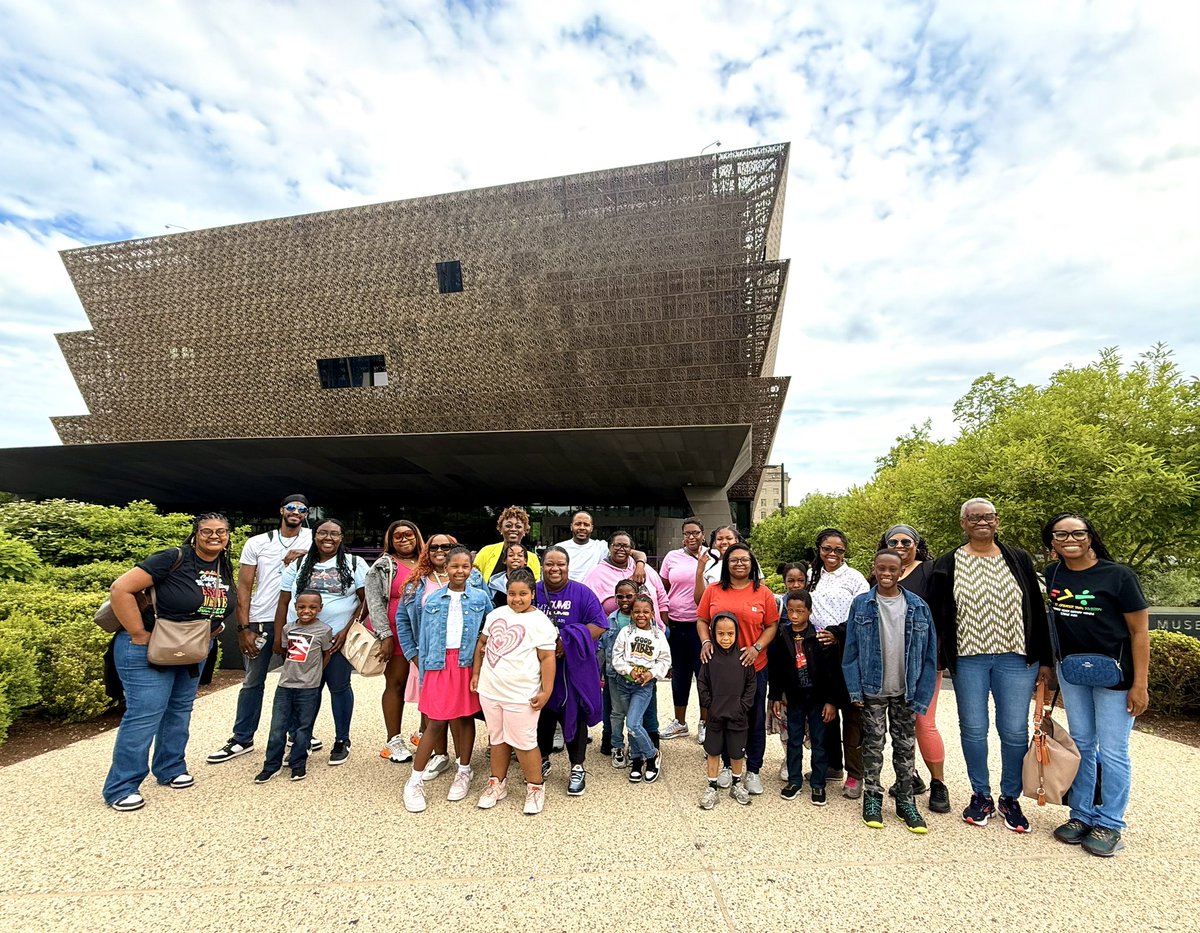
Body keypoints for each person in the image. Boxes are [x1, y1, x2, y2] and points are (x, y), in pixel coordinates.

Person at [928, 498, 1052, 832]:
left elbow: (1037, 610)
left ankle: (1010, 797)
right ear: (963, 523)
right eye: (974, 517)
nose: (981, 522)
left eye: (988, 517)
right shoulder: (947, 563)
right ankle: (980, 793)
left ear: (997, 522)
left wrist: (1045, 659)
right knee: (973, 728)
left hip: (1016, 658)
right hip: (969, 659)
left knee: (1013, 730)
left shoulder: (1018, 559)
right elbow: (938, 616)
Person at [103, 513, 237, 811]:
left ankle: (170, 768)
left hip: (190, 648)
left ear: (228, 535)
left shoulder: (221, 565)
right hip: (150, 648)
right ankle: (121, 786)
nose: (214, 536)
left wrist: (216, 627)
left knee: (179, 709)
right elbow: (120, 589)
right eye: (206, 531)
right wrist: (138, 633)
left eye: (221, 531)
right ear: (195, 534)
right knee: (145, 714)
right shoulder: (173, 558)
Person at [1042, 513, 1149, 857]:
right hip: (1074, 673)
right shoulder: (1053, 573)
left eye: (1077, 533)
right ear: (1052, 543)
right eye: (1060, 535)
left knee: (1114, 750)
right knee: (1083, 745)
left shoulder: (1118, 576)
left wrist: (1141, 684)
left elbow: (1139, 632)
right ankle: (1082, 815)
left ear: (1090, 536)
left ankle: (1111, 823)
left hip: (1115, 676)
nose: (1069, 539)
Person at [207, 495, 312, 765]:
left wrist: (304, 554)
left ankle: (297, 736)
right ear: (281, 511)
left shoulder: (314, 539)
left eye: (301, 509)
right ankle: (242, 738)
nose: (296, 512)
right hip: (262, 620)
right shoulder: (258, 542)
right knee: (253, 681)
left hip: (298, 625)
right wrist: (243, 627)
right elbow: (244, 587)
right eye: (291, 508)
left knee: (297, 682)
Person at [843, 549, 940, 834]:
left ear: (901, 572)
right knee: (873, 744)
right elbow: (851, 651)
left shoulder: (919, 607)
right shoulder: (861, 604)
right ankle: (872, 796)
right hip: (873, 688)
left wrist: (922, 693)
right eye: (881, 568)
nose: (886, 574)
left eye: (892, 569)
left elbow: (929, 654)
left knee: (905, 745)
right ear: (874, 569)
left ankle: (905, 799)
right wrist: (855, 690)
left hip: (905, 690)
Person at [399, 545, 490, 813]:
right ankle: (414, 781)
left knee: (464, 718)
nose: (460, 571)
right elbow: (424, 636)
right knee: (436, 722)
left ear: (471, 569)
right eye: (454, 566)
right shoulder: (433, 600)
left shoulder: (481, 598)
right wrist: (421, 665)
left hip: (466, 664)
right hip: (438, 664)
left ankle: (464, 769)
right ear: (445, 568)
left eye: (465, 566)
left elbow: (488, 633)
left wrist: (480, 666)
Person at [276, 518, 368, 767]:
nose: (328, 538)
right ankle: (300, 741)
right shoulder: (298, 563)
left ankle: (341, 740)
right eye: (323, 533)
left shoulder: (354, 563)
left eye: (335, 534)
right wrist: (279, 638)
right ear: (315, 536)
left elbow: (365, 600)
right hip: (301, 640)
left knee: (339, 688)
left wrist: (347, 631)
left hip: (336, 639)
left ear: (342, 537)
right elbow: (284, 601)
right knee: (304, 691)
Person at [471, 567, 558, 815]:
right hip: (491, 690)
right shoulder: (496, 614)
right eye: (511, 593)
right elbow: (482, 644)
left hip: (521, 694)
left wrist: (547, 690)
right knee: (496, 739)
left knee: (525, 743)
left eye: (522, 594)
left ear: (533, 594)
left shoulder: (540, 622)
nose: (516, 599)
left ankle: (535, 787)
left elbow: (547, 659)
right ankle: (497, 783)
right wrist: (476, 673)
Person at [696, 542, 779, 796]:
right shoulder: (713, 590)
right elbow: (702, 620)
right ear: (725, 564)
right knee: (720, 717)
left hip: (753, 666)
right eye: (733, 560)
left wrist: (756, 647)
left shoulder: (762, 592)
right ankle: (724, 765)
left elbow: (772, 625)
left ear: (752, 563)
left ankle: (752, 769)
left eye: (744, 559)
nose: (739, 564)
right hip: (720, 669)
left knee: (752, 718)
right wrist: (706, 641)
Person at [534, 545, 609, 795]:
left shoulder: (582, 593)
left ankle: (577, 766)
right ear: (542, 566)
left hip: (571, 670)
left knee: (573, 716)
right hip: (537, 670)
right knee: (541, 716)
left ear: (567, 566)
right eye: (549, 564)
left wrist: (568, 641)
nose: (555, 569)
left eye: (560, 564)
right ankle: (542, 760)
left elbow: (600, 624)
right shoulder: (532, 591)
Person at [810, 528, 869, 800]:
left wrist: (837, 633)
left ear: (845, 552)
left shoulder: (855, 579)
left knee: (852, 714)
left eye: (838, 550)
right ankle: (833, 764)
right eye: (826, 549)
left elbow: (865, 614)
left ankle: (855, 773)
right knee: (826, 712)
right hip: (820, 653)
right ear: (819, 549)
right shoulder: (813, 577)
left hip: (848, 651)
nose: (832, 554)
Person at [395, 533, 458, 778]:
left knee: (459, 710)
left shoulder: (471, 577)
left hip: (458, 656)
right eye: (434, 547)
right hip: (426, 656)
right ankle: (439, 754)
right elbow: (402, 619)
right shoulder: (416, 581)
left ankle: (464, 761)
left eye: (446, 546)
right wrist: (412, 654)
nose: (440, 550)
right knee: (431, 709)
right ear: (427, 550)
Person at [254, 591, 334, 783]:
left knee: (303, 727)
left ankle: (298, 764)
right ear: (295, 608)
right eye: (302, 607)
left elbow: (326, 654)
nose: (307, 611)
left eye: (313, 607)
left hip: (309, 687)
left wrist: (316, 673)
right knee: (277, 727)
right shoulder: (288, 628)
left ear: (320, 609)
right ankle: (271, 765)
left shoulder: (324, 630)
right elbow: (286, 652)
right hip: (285, 685)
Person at [768, 590, 839, 806]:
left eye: (800, 611)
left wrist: (831, 701)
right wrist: (776, 696)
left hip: (817, 699)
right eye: (790, 610)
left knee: (819, 741)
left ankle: (818, 784)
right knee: (794, 740)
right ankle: (795, 781)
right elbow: (776, 668)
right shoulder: (782, 636)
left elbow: (831, 672)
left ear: (809, 611)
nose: (795, 615)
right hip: (794, 698)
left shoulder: (820, 637)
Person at [365, 519, 424, 765]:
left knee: (426, 683)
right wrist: (384, 635)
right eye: (397, 536)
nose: (404, 539)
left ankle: (423, 733)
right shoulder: (383, 565)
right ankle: (393, 740)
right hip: (395, 632)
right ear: (390, 540)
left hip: (425, 631)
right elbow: (374, 602)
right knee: (396, 683)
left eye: (408, 534)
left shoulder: (427, 561)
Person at [610, 594, 672, 783]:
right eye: (637, 611)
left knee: (634, 723)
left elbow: (664, 660)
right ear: (631, 614)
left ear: (652, 614)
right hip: (624, 683)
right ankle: (637, 760)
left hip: (643, 686)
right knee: (631, 722)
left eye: (645, 612)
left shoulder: (657, 635)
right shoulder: (626, 633)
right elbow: (616, 657)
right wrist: (629, 670)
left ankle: (652, 755)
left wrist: (651, 674)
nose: (641, 615)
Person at [697, 613, 756, 808]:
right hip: (715, 715)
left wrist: (743, 706)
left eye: (730, 633)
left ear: (736, 633)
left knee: (737, 753)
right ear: (713, 633)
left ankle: (737, 784)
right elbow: (702, 682)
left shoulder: (743, 657)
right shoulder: (709, 657)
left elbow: (751, 684)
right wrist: (709, 705)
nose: (725, 638)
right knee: (713, 751)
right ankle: (712, 786)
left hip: (738, 716)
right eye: (720, 633)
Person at [658, 517, 708, 743]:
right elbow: (663, 589)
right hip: (677, 625)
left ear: (703, 534)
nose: (691, 537)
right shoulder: (672, 557)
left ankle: (705, 722)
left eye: (695, 532)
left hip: (702, 625)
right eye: (687, 533)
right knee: (679, 675)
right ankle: (680, 722)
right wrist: (665, 619)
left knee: (704, 675)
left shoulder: (711, 557)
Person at [584, 530, 666, 621]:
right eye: (617, 545)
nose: (621, 549)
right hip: (616, 632)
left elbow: (662, 598)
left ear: (631, 550)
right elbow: (586, 606)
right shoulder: (596, 574)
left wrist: (665, 626)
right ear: (609, 548)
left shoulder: (644, 568)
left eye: (626, 546)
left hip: (654, 631)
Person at [599, 578, 638, 760]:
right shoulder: (610, 619)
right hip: (615, 674)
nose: (624, 600)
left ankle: (634, 745)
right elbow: (602, 645)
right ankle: (616, 745)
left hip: (636, 675)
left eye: (629, 596)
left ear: (636, 596)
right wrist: (599, 671)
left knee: (635, 713)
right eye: (620, 597)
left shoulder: (642, 618)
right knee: (617, 712)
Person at [473, 505, 542, 583]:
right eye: (508, 526)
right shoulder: (486, 552)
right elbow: (472, 579)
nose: (513, 529)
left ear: (525, 530)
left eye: (518, 526)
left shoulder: (533, 558)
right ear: (500, 529)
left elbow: (535, 587)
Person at [692, 524, 743, 602]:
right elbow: (700, 601)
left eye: (729, 538)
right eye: (719, 539)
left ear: (736, 541)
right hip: (716, 612)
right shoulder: (708, 565)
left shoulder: (747, 563)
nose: (724, 542)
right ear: (715, 543)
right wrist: (699, 571)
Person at [556, 511, 608, 583]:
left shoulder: (601, 547)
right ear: (571, 527)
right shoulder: (559, 548)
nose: (582, 528)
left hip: (593, 592)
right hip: (567, 591)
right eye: (578, 524)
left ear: (591, 528)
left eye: (586, 525)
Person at [486, 543, 528, 608]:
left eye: (520, 555)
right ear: (504, 560)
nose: (515, 558)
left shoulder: (531, 584)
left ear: (525, 561)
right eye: (511, 555)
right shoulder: (494, 585)